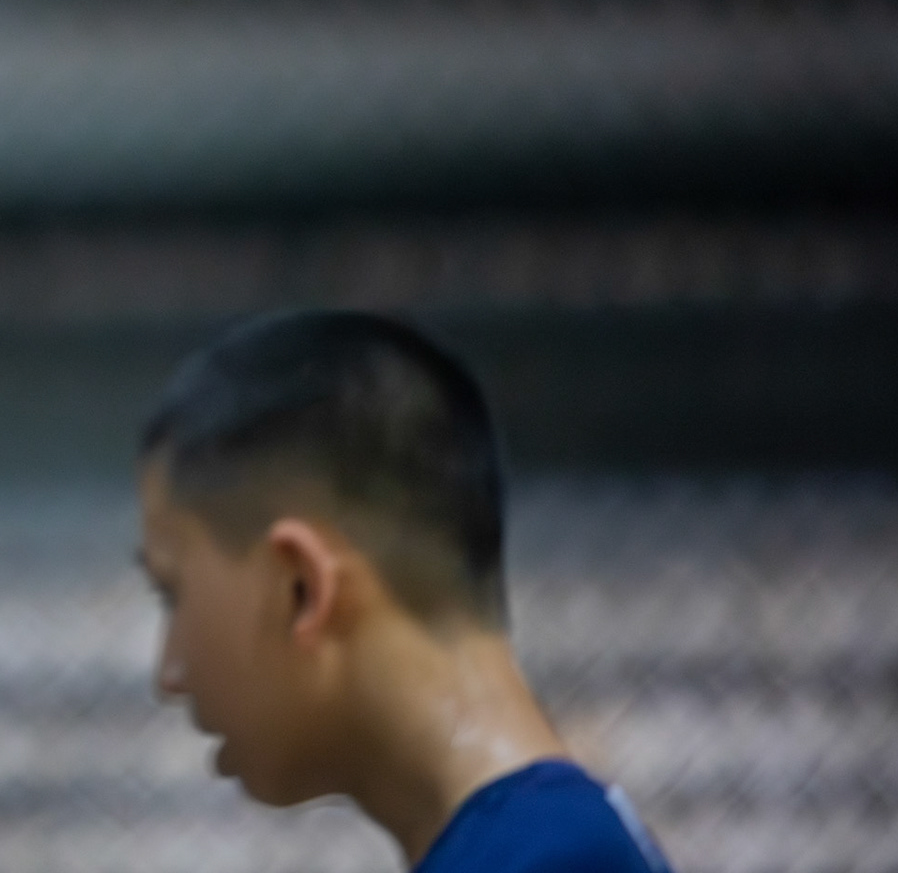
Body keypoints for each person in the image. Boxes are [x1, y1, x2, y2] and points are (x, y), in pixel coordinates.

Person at [136, 309, 670, 873]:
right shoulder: (542, 840)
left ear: (302, 588)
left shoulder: (550, 861)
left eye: (173, 593)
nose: (170, 674)